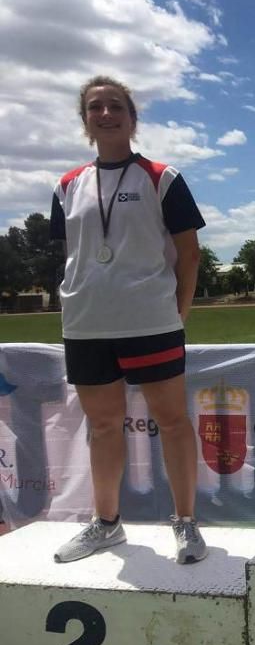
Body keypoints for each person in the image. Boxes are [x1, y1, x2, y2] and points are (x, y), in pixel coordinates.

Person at [49, 76, 208, 564]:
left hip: (150, 321)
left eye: (115, 105)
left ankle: (185, 524)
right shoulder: (67, 185)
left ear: (132, 118)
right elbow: (68, 254)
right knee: (102, 425)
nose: (105, 113)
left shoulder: (162, 177)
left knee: (173, 421)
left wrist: (176, 314)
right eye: (95, 107)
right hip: (87, 324)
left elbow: (189, 254)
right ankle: (106, 524)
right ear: (85, 121)